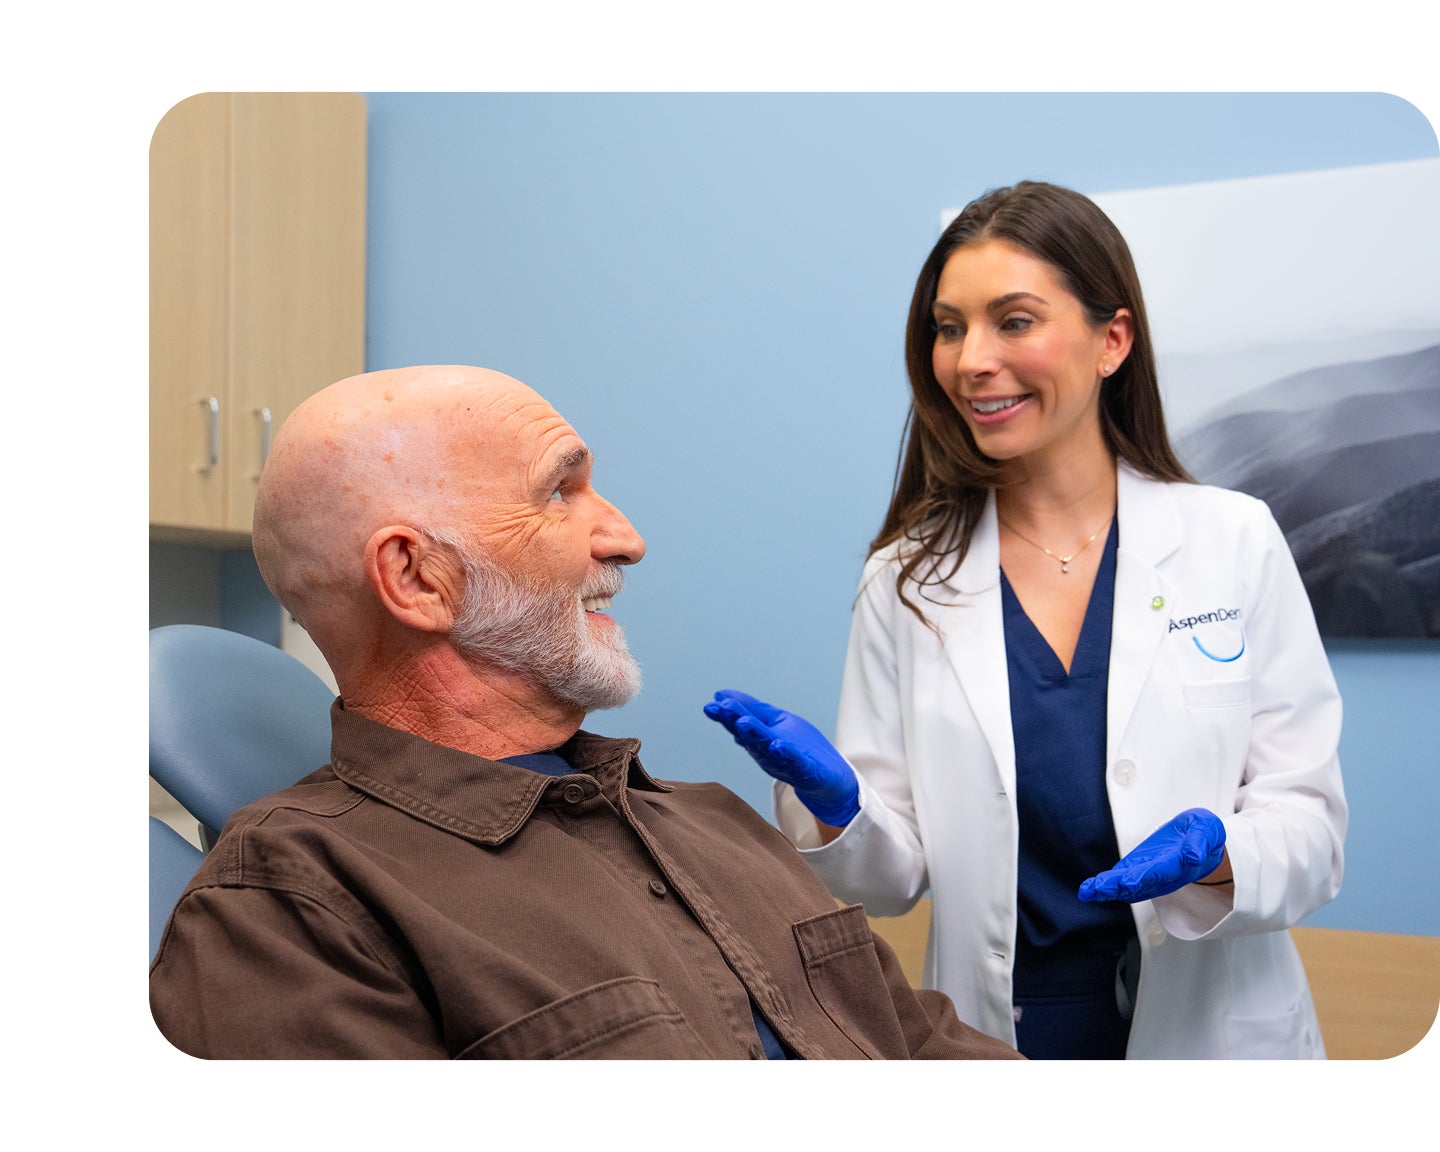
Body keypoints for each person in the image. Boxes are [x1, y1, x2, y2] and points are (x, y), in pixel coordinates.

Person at [148, 364, 1020, 1061]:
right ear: (417, 578)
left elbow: (922, 1047)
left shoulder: (715, 824)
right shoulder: (292, 908)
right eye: (559, 493)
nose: (625, 537)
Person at [705, 181, 1347, 1060]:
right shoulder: (907, 579)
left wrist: (1221, 854)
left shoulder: (1231, 539)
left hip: (1215, 1042)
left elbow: (1309, 823)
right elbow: (888, 879)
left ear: (1111, 340)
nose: (970, 360)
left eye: (1013, 321)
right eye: (948, 325)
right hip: (1001, 1039)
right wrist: (836, 808)